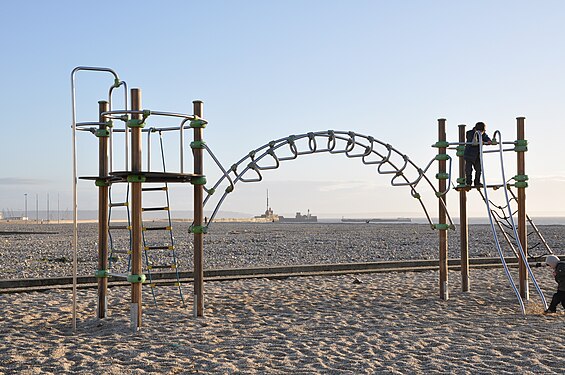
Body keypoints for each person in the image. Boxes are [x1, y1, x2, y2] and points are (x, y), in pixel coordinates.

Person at [464, 122, 492, 187]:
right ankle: (468, 183)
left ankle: (477, 182)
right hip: (469, 154)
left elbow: (487, 138)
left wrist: (488, 141)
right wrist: (481, 141)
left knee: (479, 169)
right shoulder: (470, 133)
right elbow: (472, 139)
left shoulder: (483, 134)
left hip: (477, 155)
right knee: (468, 170)